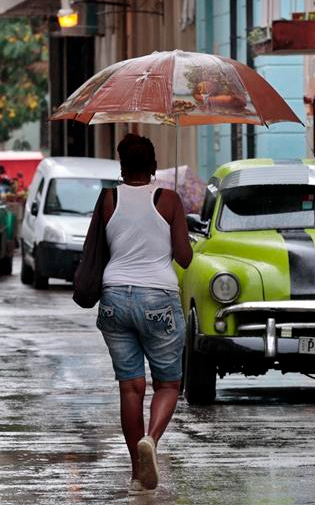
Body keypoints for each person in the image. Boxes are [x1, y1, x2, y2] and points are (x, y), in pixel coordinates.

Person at [90, 133, 192, 495]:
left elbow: (100, 248)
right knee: (167, 384)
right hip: (158, 298)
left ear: (121, 166)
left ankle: (138, 471)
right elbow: (184, 257)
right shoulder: (169, 200)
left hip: (115, 297)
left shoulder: (108, 199)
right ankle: (151, 439)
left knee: (131, 387)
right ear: (153, 166)